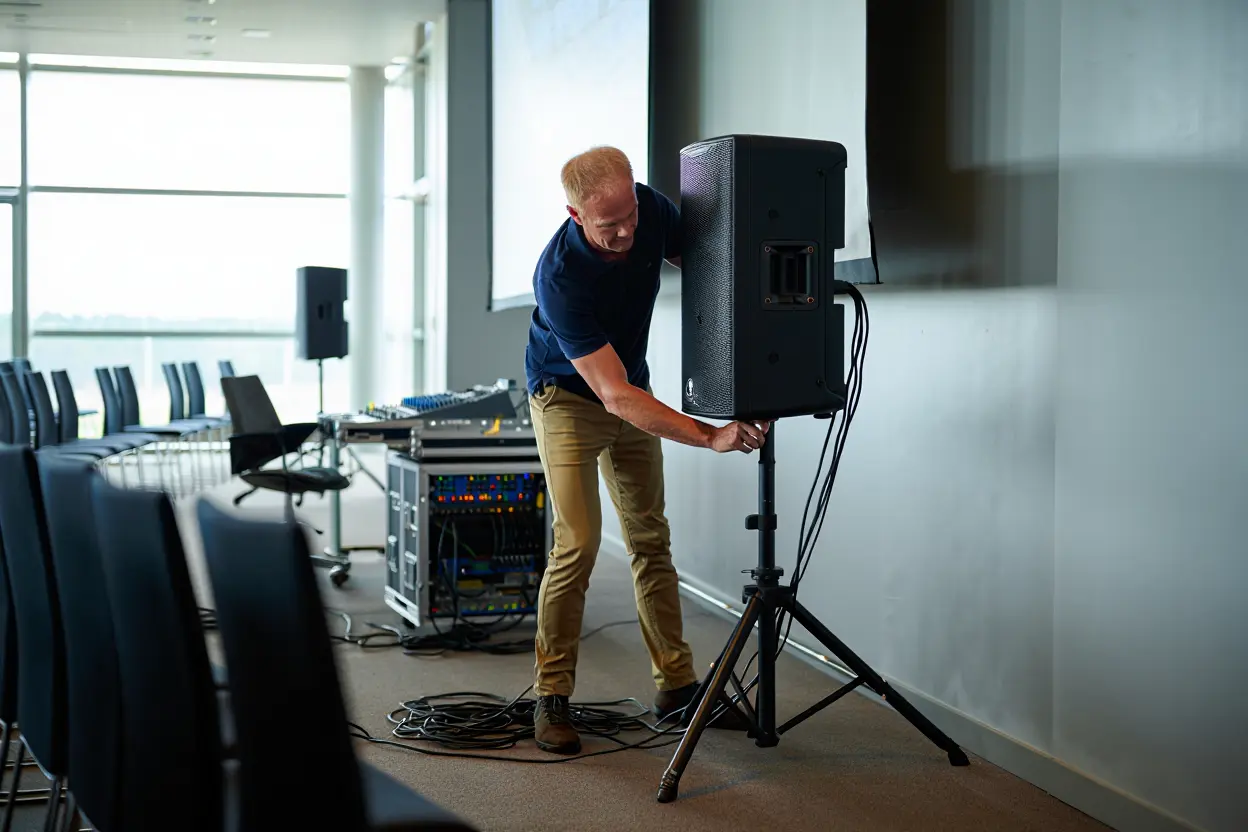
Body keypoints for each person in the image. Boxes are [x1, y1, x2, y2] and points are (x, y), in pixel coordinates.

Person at [524, 145, 769, 754]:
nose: (628, 231)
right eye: (610, 225)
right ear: (576, 216)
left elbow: (709, 272)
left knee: (650, 539)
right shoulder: (558, 277)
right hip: (569, 398)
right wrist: (710, 434)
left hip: (630, 386)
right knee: (577, 542)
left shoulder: (649, 212)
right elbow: (612, 395)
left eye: (631, 213)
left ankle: (677, 689)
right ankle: (551, 695)